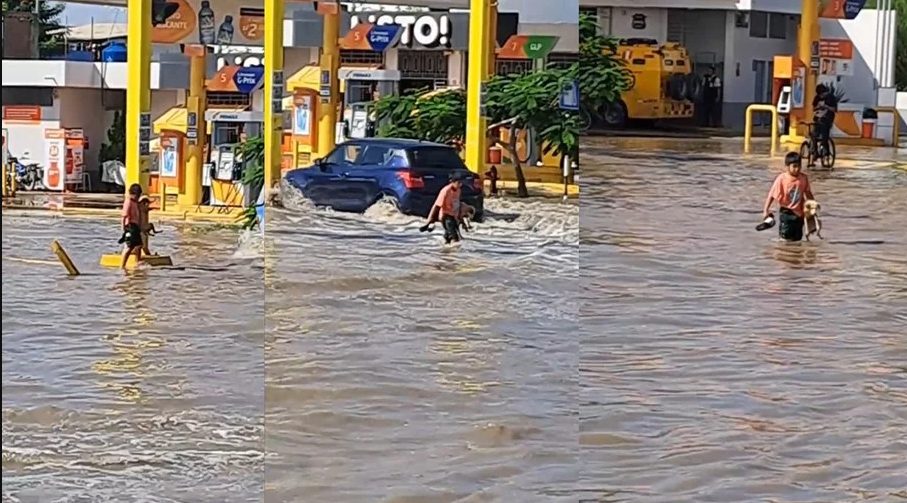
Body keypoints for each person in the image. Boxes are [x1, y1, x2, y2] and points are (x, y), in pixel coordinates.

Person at [763, 152, 815, 242]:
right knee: (785, 239)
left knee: (797, 239)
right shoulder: (782, 179)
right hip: (786, 213)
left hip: (800, 214)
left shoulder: (803, 178)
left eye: (799, 166)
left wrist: (813, 208)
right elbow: (772, 195)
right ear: (787, 166)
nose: (797, 169)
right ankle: (783, 255)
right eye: (794, 166)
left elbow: (808, 193)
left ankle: (794, 255)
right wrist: (765, 210)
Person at [420, 172, 475, 244]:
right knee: (455, 239)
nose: (460, 185)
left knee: (449, 238)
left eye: (461, 183)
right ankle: (454, 254)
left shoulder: (458, 190)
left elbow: (457, 205)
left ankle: (444, 253)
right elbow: (436, 206)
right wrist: (429, 221)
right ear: (452, 182)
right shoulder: (445, 191)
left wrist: (461, 220)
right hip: (446, 217)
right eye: (458, 183)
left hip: (453, 217)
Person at [119, 183, 144, 268]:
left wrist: (140, 226)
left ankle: (138, 262)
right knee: (130, 247)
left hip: (135, 226)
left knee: (139, 245)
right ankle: (122, 265)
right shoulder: (128, 201)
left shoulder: (136, 203)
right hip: (130, 226)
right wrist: (124, 228)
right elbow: (124, 215)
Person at [812, 84, 838, 157]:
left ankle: (826, 150)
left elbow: (835, 109)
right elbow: (813, 108)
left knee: (824, 134)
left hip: (827, 119)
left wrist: (826, 107)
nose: (821, 97)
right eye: (820, 95)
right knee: (814, 135)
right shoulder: (817, 98)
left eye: (822, 95)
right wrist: (817, 107)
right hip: (817, 118)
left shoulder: (831, 98)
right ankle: (815, 151)